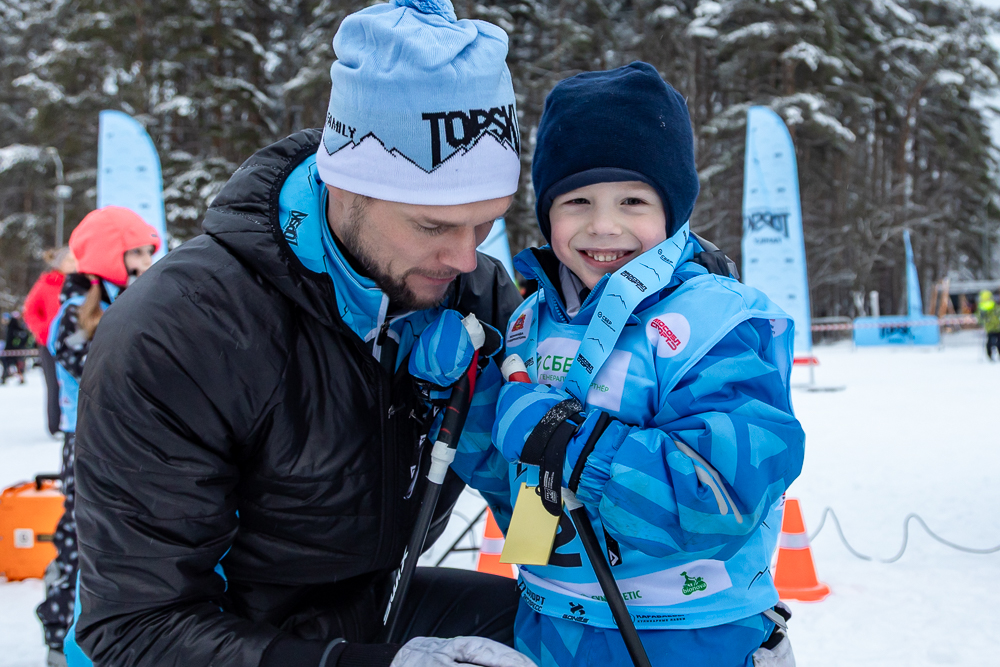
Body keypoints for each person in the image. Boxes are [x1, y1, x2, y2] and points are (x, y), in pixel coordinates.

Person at [71, 2, 532, 667]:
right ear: (345, 185)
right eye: (433, 226)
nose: (466, 258)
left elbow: (537, 494)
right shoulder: (182, 331)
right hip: (204, 636)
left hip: (373, 604)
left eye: (485, 221)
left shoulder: (476, 296)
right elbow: (136, 627)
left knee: (577, 639)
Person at [427, 63, 805, 667]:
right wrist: (465, 398)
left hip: (689, 636)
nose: (604, 226)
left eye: (633, 200)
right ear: (547, 214)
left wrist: (564, 438)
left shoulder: (718, 321)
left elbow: (723, 499)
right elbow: (518, 494)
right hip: (553, 625)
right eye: (577, 201)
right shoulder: (529, 322)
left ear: (673, 209)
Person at [35, 206, 160, 665]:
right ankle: (61, 630)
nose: (146, 264)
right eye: (136, 254)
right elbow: (105, 382)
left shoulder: (127, 303)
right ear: (109, 257)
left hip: (128, 445)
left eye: (149, 253)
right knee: (86, 539)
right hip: (87, 445)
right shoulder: (75, 315)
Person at [23, 247, 78, 434]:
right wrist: (43, 332)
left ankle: (75, 422)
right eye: (69, 260)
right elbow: (30, 310)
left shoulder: (79, 284)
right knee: (54, 384)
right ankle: (55, 426)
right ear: (60, 263)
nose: (73, 263)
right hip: (50, 343)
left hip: (74, 341)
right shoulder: (47, 283)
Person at [1, 308, 32, 384]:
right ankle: (7, 376)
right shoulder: (15, 328)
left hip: (12, 350)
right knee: (14, 365)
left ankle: (7, 376)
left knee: (12, 364)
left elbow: (11, 340)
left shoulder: (12, 329)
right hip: (14, 350)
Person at [976, 290, 999, 361]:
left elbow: (979, 318)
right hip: (992, 328)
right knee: (991, 342)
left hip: (994, 328)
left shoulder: (994, 307)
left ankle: (990, 354)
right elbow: (979, 318)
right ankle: (990, 355)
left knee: (992, 342)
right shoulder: (990, 308)